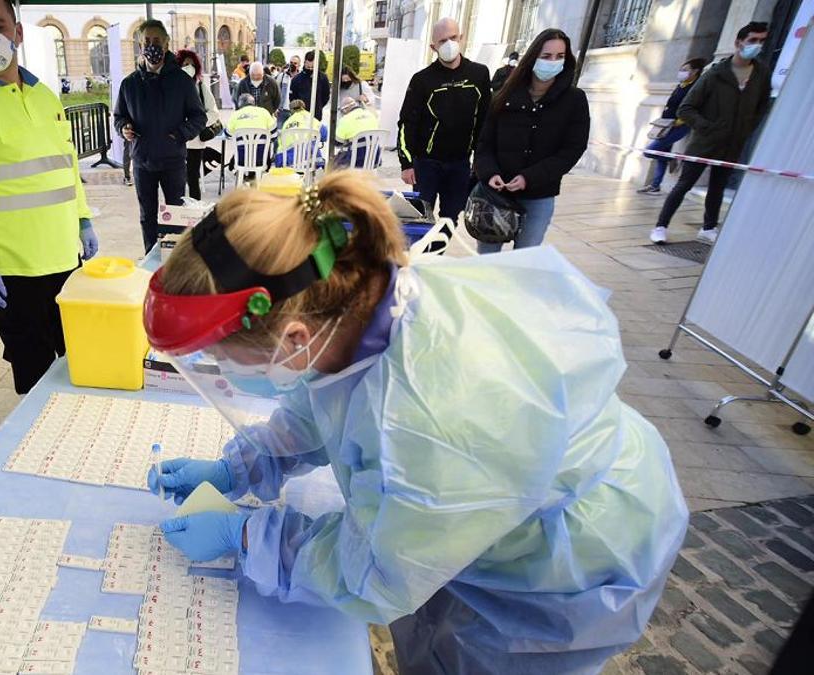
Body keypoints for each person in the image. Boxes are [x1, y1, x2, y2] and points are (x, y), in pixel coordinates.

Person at [142, 171, 687, 674]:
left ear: (293, 338)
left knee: (471, 657)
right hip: (481, 503)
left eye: (221, 360)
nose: (222, 372)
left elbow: (377, 573)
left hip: (563, 565)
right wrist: (241, 466)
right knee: (430, 630)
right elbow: (326, 396)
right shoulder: (358, 303)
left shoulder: (429, 425)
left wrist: (246, 536)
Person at [0, 0, 99, 394]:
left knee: (78, 362)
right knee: (34, 372)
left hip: (64, 257)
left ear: (18, 32)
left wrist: (83, 218)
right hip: (14, 270)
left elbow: (66, 164)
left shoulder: (44, 96)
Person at [650, 22, 771, 246]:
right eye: (753, 40)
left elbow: (762, 105)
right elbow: (685, 108)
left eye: (762, 41)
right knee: (684, 185)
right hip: (704, 143)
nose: (757, 45)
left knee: (717, 187)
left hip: (733, 144)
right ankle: (661, 226)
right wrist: (707, 127)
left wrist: (747, 128)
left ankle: (708, 228)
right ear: (739, 42)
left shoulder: (762, 73)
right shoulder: (715, 74)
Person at [473, 28, 590, 253]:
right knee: (487, 262)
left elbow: (572, 150)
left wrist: (529, 178)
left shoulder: (574, 100)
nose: (552, 62)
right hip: (496, 194)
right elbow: (484, 144)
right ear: (533, 57)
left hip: (538, 195)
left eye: (560, 56)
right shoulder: (505, 95)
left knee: (524, 261)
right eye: (546, 56)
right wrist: (490, 173)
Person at [113, 20, 205, 253]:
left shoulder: (182, 81)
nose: (151, 46)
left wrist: (179, 135)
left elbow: (198, 118)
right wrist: (123, 127)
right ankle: (150, 259)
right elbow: (118, 116)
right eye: (147, 41)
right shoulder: (129, 84)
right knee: (147, 216)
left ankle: (174, 260)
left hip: (173, 161)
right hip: (142, 162)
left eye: (156, 41)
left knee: (175, 215)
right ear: (140, 44)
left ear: (166, 43)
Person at [398, 18, 491, 223]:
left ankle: (438, 255)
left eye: (453, 38)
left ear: (462, 38)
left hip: (460, 164)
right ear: (433, 46)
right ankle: (423, 255)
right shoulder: (422, 80)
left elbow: (485, 120)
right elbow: (406, 123)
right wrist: (406, 163)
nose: (449, 44)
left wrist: (482, 159)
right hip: (426, 164)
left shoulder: (479, 74)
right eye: (442, 41)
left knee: (450, 219)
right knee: (421, 218)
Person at [639, 58, 707, 199]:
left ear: (695, 71)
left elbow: (693, 107)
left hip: (679, 126)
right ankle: (655, 185)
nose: (681, 72)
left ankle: (672, 159)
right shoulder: (681, 85)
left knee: (650, 151)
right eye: (681, 70)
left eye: (685, 70)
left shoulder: (695, 88)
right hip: (666, 124)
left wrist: (680, 121)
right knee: (662, 156)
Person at [177, 49, 220, 201]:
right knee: (176, 180)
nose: (188, 67)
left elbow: (214, 112)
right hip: (177, 140)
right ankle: (177, 213)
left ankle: (194, 210)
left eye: (191, 64)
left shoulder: (201, 87)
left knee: (193, 178)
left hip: (195, 141)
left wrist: (197, 124)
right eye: (184, 64)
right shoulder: (172, 88)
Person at [226, 93, 276, 173]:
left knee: (231, 166)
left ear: (239, 104)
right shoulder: (264, 112)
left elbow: (228, 135)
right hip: (261, 160)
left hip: (242, 160)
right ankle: (255, 179)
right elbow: (274, 135)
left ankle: (244, 179)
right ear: (254, 103)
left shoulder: (235, 114)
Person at [275, 99, 327, 167]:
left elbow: (280, 144)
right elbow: (324, 135)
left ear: (291, 110)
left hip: (289, 161)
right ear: (303, 107)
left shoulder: (286, 123)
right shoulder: (310, 118)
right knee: (313, 145)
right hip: (309, 161)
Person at [333, 98, 382, 169]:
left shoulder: (345, 119)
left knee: (334, 163)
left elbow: (338, 142)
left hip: (356, 160)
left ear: (344, 110)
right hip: (374, 158)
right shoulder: (371, 114)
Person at [289, 50, 332, 121]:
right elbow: (292, 97)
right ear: (304, 63)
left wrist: (318, 106)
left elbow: (326, 96)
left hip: (316, 115)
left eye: (312, 67)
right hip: (300, 115)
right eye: (308, 67)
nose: (310, 69)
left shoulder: (323, 78)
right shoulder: (296, 79)